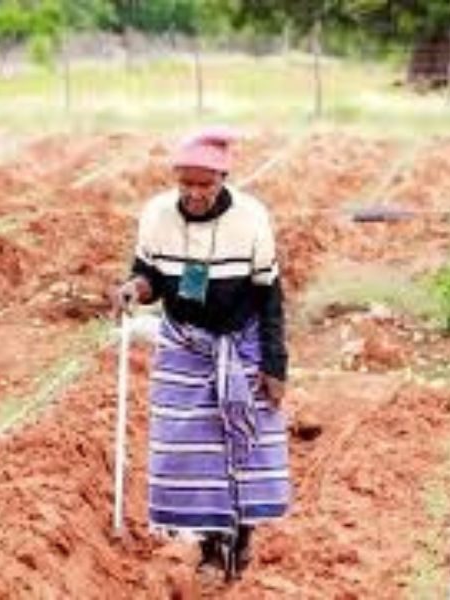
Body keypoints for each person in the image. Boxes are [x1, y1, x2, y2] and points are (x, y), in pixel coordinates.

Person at [110, 127, 290, 581]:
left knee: (245, 444)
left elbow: (270, 296)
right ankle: (210, 548)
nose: (193, 193)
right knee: (191, 450)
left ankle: (243, 536)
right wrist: (134, 289)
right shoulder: (156, 215)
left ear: (222, 179)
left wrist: (275, 364)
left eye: (203, 185)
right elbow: (148, 273)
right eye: (185, 184)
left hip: (242, 340)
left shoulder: (251, 218)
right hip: (186, 343)